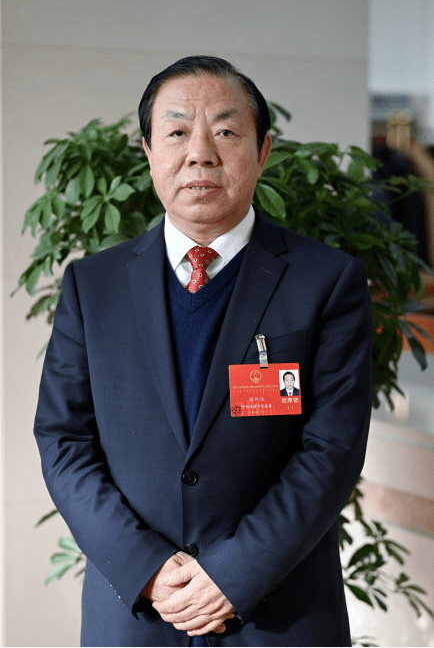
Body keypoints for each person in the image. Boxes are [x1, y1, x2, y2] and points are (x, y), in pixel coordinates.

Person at [34, 55, 373, 647]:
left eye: (225, 131)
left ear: (262, 151)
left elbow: (333, 449)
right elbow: (63, 440)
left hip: (280, 618)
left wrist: (234, 573)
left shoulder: (327, 281)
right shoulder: (93, 286)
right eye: (176, 133)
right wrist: (148, 569)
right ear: (148, 151)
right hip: (137, 617)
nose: (200, 154)